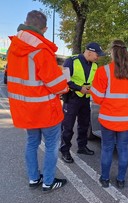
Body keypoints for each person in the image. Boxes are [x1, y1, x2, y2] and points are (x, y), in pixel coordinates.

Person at [6, 10, 69, 192]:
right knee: (51, 146)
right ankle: (48, 182)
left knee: (32, 142)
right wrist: (64, 83)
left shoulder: (13, 48)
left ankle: (34, 178)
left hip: (26, 109)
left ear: (25, 22)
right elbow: (57, 86)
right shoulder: (41, 50)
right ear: (44, 28)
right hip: (45, 109)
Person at [90, 40, 128, 188]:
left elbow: (97, 97)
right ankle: (120, 180)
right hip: (126, 120)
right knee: (123, 149)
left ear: (112, 52)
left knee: (107, 148)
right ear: (126, 53)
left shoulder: (103, 71)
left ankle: (105, 179)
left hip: (107, 119)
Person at [60, 42, 106, 163]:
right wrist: (79, 88)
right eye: (97, 54)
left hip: (85, 99)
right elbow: (64, 79)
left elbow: (95, 82)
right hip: (72, 98)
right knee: (68, 126)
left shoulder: (95, 65)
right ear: (89, 52)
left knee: (84, 124)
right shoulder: (71, 61)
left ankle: (82, 146)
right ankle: (65, 150)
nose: (98, 57)